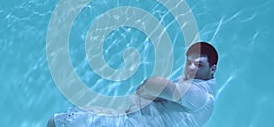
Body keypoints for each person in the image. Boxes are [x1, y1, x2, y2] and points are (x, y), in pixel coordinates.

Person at [47, 42, 218, 127]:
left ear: (213, 69)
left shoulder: (201, 96)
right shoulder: (198, 92)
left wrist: (146, 91)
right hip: (129, 119)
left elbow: (155, 84)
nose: (191, 68)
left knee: (60, 121)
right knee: (75, 114)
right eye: (189, 63)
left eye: (199, 64)